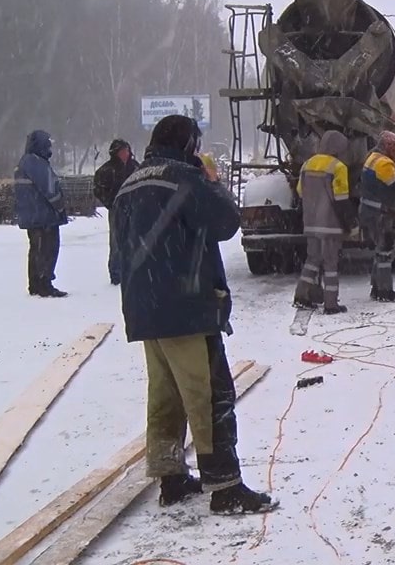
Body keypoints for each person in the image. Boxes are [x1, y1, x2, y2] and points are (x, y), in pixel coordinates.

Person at [113, 115, 276, 515]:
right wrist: (212, 180)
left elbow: (119, 253)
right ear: (188, 144)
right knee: (211, 396)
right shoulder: (183, 178)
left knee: (166, 396)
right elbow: (226, 223)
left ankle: (171, 477)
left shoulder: (129, 184)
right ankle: (225, 486)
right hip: (185, 308)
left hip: (145, 309)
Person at [293, 131, 354, 314]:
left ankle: (301, 295)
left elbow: (300, 191)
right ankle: (331, 304)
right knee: (330, 265)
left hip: (311, 223)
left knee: (312, 261)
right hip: (330, 224)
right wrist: (350, 223)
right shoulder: (338, 167)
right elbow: (341, 200)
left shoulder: (306, 164)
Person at [359, 131, 395, 303]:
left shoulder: (373, 157)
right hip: (380, 213)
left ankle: (376, 288)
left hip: (369, 210)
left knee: (380, 249)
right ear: (387, 146)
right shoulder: (383, 163)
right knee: (385, 250)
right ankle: (384, 291)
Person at [14, 130, 69, 297]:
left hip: (33, 216)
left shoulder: (26, 162)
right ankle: (44, 283)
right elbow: (49, 189)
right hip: (43, 217)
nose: (50, 147)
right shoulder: (36, 163)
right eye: (48, 144)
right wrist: (60, 207)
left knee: (36, 250)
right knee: (47, 249)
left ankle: (36, 284)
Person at [93, 138, 140, 285]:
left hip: (135, 209)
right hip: (117, 210)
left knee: (135, 240)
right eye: (122, 151)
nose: (126, 153)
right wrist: (110, 203)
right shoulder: (107, 170)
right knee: (117, 242)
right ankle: (116, 274)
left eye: (127, 150)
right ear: (116, 153)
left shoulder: (135, 167)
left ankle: (134, 271)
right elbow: (99, 189)